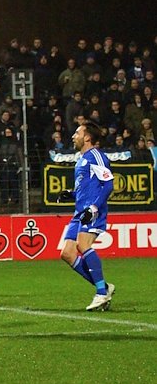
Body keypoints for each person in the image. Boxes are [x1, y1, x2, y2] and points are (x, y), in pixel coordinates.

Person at [58, 121, 116, 311]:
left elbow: (108, 185)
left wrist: (94, 207)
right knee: (67, 254)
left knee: (83, 245)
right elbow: (87, 189)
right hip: (79, 212)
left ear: (88, 137)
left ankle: (101, 293)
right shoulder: (82, 159)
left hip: (92, 211)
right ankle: (104, 287)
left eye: (77, 133)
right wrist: (72, 194)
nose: (73, 136)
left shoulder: (96, 156)